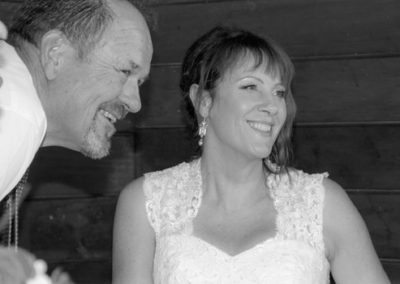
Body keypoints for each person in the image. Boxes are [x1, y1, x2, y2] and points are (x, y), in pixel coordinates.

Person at [112, 26, 390, 284]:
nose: (272, 106)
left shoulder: (323, 204)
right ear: (204, 101)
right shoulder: (146, 203)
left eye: (279, 92)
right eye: (250, 86)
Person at [0, 0, 153, 282]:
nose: (135, 103)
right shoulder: (17, 115)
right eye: (125, 71)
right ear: (55, 54)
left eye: (140, 82)